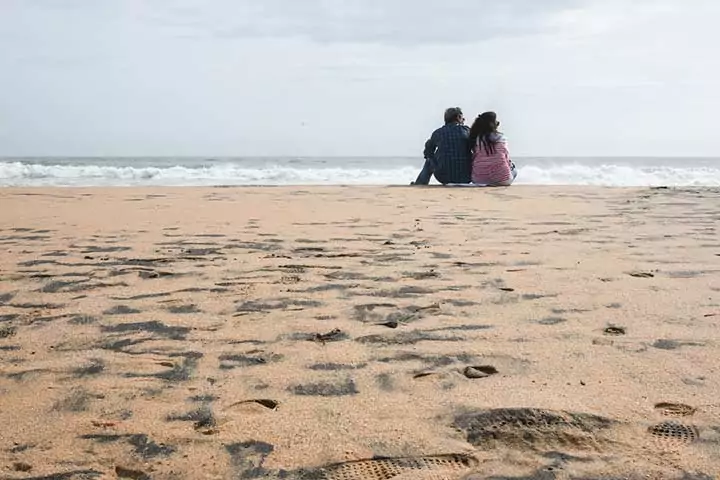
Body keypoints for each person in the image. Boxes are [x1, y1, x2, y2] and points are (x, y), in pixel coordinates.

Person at [412, 107, 471, 185]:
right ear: (458, 117)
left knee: (430, 158)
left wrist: (436, 157)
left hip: (443, 177)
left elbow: (427, 152)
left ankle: (420, 182)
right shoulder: (467, 131)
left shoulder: (438, 133)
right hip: (466, 177)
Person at [468, 111, 517, 186]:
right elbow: (506, 157)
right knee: (514, 169)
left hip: (479, 180)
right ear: (492, 124)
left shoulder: (476, 139)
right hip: (503, 180)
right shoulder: (501, 138)